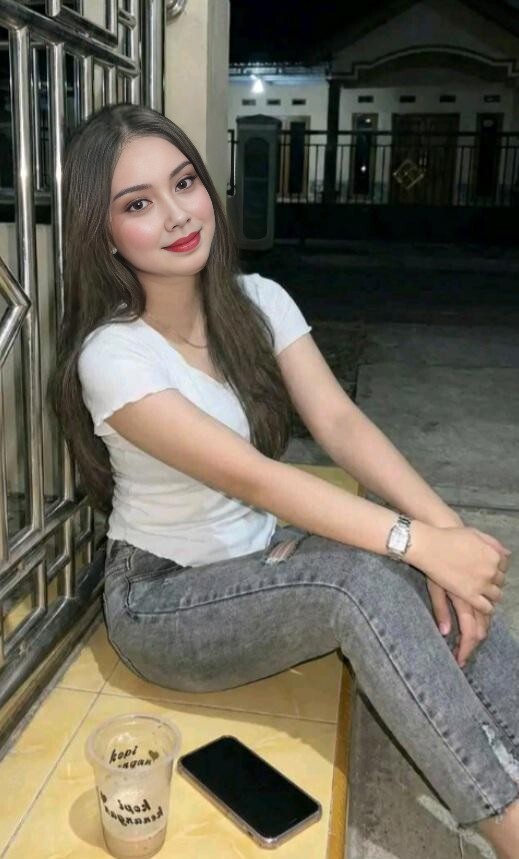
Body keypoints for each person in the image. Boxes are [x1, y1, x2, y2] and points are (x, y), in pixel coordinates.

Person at [49, 103, 519, 858]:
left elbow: (340, 423)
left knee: (413, 567)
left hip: (258, 560)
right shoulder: (113, 356)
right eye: (138, 204)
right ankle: (507, 822)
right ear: (102, 234)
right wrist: (419, 541)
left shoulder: (258, 301)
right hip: (162, 600)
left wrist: (447, 536)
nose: (177, 214)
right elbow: (259, 480)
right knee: (360, 581)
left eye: (184, 183)